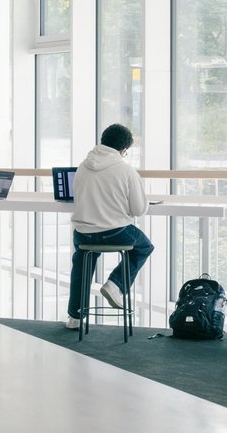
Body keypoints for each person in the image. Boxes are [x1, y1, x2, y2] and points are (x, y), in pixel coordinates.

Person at [65, 123, 154, 329]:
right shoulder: (126, 170)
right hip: (115, 233)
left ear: (103, 141)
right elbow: (139, 209)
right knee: (144, 246)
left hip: (83, 234)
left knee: (82, 262)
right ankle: (115, 284)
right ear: (123, 150)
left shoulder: (82, 166)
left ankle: (75, 317)